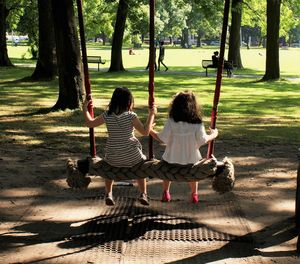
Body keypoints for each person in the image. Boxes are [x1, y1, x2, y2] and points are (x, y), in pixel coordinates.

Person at [83, 87, 156, 206]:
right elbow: (145, 132)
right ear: (128, 102)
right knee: (141, 167)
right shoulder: (131, 116)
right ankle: (143, 194)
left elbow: (90, 123)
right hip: (133, 157)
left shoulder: (107, 115)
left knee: (108, 169)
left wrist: (84, 108)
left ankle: (109, 193)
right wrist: (152, 114)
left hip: (113, 158)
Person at [150, 91, 218, 204]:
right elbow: (203, 140)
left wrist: (151, 131)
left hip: (171, 161)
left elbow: (162, 138)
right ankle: (194, 194)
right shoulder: (197, 123)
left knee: (165, 169)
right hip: (191, 162)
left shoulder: (171, 122)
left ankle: (166, 192)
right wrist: (214, 134)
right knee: (193, 174)